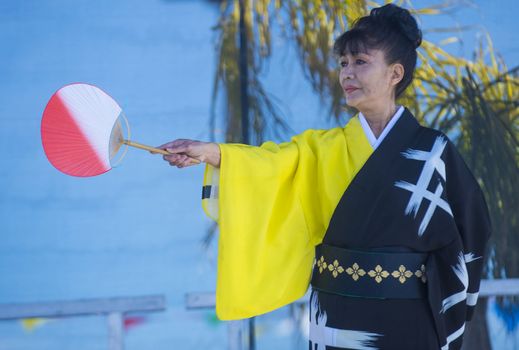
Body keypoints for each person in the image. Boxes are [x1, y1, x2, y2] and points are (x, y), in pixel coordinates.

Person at [156, 4, 491, 349]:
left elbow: (471, 229)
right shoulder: (321, 149)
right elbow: (269, 166)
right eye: (343, 63)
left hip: (409, 315)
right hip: (336, 315)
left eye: (360, 62)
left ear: (395, 73)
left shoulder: (433, 152)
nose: (347, 73)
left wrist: (447, 301)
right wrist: (212, 153)